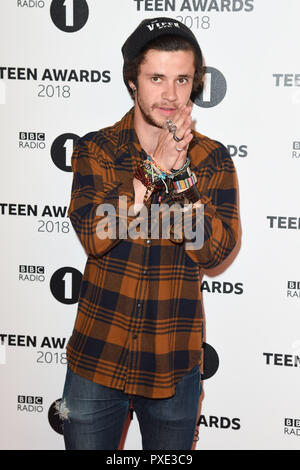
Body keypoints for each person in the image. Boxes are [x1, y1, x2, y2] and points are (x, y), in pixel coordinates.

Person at [59, 17, 239, 450]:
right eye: (156, 78)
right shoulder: (97, 149)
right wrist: (151, 170)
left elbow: (216, 251)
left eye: (182, 79)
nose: (171, 95)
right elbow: (95, 233)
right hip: (97, 358)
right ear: (132, 82)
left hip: (173, 363)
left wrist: (179, 180)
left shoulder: (211, 160)